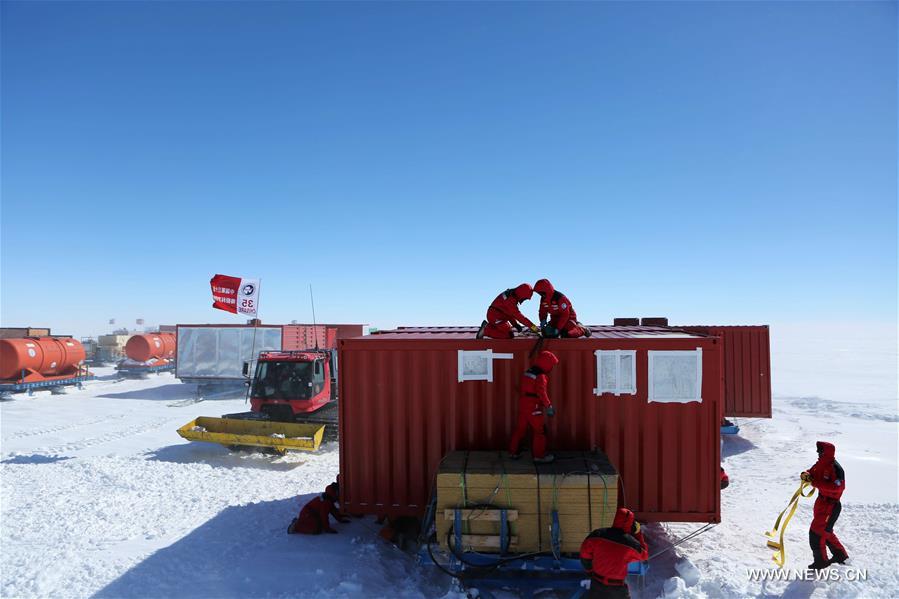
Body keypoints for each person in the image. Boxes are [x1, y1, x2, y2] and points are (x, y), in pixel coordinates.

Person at [579, 507, 649, 598]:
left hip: (597, 583)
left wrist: (589, 570)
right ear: (630, 524)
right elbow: (644, 555)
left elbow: (584, 552)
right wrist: (638, 533)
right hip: (617, 588)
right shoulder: (631, 544)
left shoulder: (598, 534)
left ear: (616, 519)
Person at [801, 441, 848, 569]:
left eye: (820, 451)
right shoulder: (820, 463)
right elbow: (811, 472)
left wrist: (815, 483)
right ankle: (840, 555)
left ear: (826, 452)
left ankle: (821, 561)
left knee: (816, 533)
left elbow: (839, 487)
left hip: (831, 506)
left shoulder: (836, 468)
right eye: (818, 451)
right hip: (821, 502)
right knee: (825, 532)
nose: (818, 453)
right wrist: (805, 475)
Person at [508, 350, 558, 463]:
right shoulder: (541, 376)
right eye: (551, 364)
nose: (552, 367)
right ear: (547, 363)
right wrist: (549, 406)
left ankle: (513, 452)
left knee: (520, 429)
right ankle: (539, 456)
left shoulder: (529, 371)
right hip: (533, 405)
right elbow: (542, 392)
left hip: (523, 403)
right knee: (540, 431)